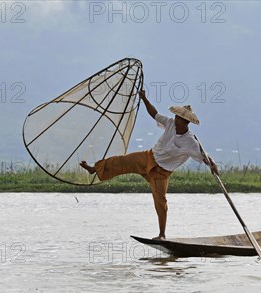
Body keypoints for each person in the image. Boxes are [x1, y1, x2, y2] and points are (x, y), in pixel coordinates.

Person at [80, 90, 218, 240]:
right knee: (120, 161)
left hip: (162, 172)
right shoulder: (170, 123)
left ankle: (162, 235)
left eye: (180, 120)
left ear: (186, 123)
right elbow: (154, 114)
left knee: (160, 201)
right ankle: (94, 169)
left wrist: (213, 165)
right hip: (148, 157)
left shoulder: (190, 142)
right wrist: (144, 98)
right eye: (177, 118)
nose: (177, 121)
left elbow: (205, 156)